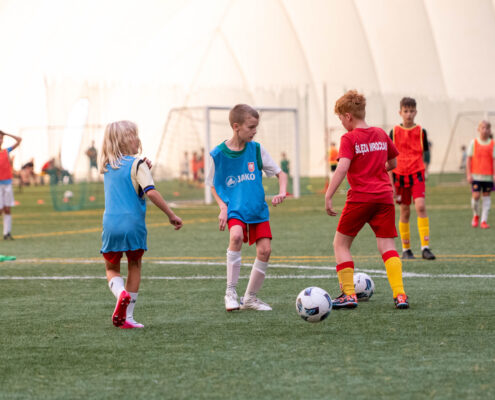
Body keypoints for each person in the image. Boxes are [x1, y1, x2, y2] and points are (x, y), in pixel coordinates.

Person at [325, 90, 408, 310]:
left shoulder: (349, 138)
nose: (341, 123)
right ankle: (400, 295)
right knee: (387, 246)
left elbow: (342, 168)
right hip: (384, 197)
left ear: (348, 116)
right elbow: (393, 163)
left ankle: (348, 294)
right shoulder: (380, 133)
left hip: (361, 198)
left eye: (340, 118)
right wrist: (378, 169)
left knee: (341, 244)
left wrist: (329, 194)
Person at [100, 120, 183, 329]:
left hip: (110, 224)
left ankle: (120, 293)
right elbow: (150, 192)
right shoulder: (138, 164)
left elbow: (126, 181)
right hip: (133, 224)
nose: (138, 139)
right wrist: (171, 214)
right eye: (134, 136)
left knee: (111, 268)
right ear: (126, 140)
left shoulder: (106, 166)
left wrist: (142, 167)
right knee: (134, 265)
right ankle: (128, 316)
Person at [206, 104, 287, 311]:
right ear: (236, 126)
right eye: (251, 127)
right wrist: (223, 207)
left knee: (265, 251)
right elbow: (212, 184)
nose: (254, 131)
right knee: (235, 236)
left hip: (257, 209)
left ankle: (250, 298)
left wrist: (282, 191)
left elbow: (281, 174)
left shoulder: (257, 149)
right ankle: (230, 293)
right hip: (235, 208)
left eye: (256, 127)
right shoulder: (218, 154)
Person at [389, 97, 435, 260]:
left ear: (416, 112)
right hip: (399, 176)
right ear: (400, 112)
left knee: (420, 206)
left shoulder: (421, 131)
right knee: (405, 211)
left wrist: (426, 170)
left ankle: (425, 248)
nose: (408, 114)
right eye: (405, 111)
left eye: (411, 111)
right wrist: (391, 182)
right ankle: (406, 249)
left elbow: (426, 154)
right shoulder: (394, 132)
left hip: (417, 173)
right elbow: (389, 158)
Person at [466, 120, 495, 229]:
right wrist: (468, 174)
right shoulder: (474, 142)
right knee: (476, 195)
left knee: (486, 197)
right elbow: (469, 159)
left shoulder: (492, 143)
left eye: (487, 128)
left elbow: (494, 160)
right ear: (478, 129)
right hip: (476, 176)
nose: (485, 130)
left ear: (490, 130)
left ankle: (484, 221)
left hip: (488, 176)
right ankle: (476, 215)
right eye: (483, 128)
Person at [0, 130, 22, 240]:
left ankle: (7, 233)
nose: (0, 140)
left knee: (7, 209)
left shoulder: (6, 151)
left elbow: (19, 140)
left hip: (7, 183)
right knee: (0, 210)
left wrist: (6, 134)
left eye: (1, 138)